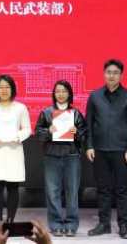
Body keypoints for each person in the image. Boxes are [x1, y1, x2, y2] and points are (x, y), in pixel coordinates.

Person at [85, 59, 127, 240]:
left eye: (116, 73)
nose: (112, 76)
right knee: (103, 189)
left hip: (121, 150)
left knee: (122, 190)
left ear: (121, 75)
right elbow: (89, 123)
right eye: (109, 72)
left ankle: (124, 225)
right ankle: (104, 224)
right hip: (99, 150)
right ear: (104, 74)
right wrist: (89, 145)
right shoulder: (95, 96)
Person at [34, 80, 87, 237]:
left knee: (72, 192)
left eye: (64, 91)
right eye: (58, 91)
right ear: (54, 93)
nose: (61, 94)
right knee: (52, 191)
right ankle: (55, 223)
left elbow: (85, 135)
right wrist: (48, 131)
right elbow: (38, 133)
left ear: (69, 93)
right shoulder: (46, 113)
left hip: (72, 156)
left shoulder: (76, 113)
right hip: (52, 156)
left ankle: (71, 224)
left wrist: (77, 132)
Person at [0, 74, 31, 226]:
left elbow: (27, 128)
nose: (4, 90)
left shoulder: (20, 108)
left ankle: (10, 221)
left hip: (14, 151)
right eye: (1, 87)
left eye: (7, 87)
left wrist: (18, 137)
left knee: (13, 188)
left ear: (12, 89)